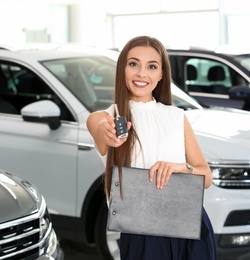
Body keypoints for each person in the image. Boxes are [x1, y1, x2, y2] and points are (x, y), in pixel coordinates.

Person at [87, 35, 217, 260]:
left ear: (161, 75)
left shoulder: (177, 117)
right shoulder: (107, 117)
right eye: (133, 64)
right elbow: (99, 127)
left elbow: (206, 177)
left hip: (191, 225)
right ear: (122, 68)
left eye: (152, 66)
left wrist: (182, 169)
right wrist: (108, 133)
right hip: (143, 234)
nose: (141, 73)